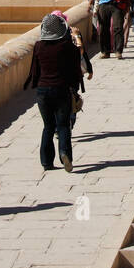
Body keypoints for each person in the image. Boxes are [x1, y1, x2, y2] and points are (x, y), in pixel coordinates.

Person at [24, 12, 83, 172]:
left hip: (43, 91)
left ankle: (46, 162)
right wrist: (75, 88)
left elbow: (34, 71)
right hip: (62, 89)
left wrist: (35, 86)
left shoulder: (38, 46)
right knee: (63, 125)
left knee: (48, 126)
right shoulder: (68, 47)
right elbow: (75, 70)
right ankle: (65, 154)